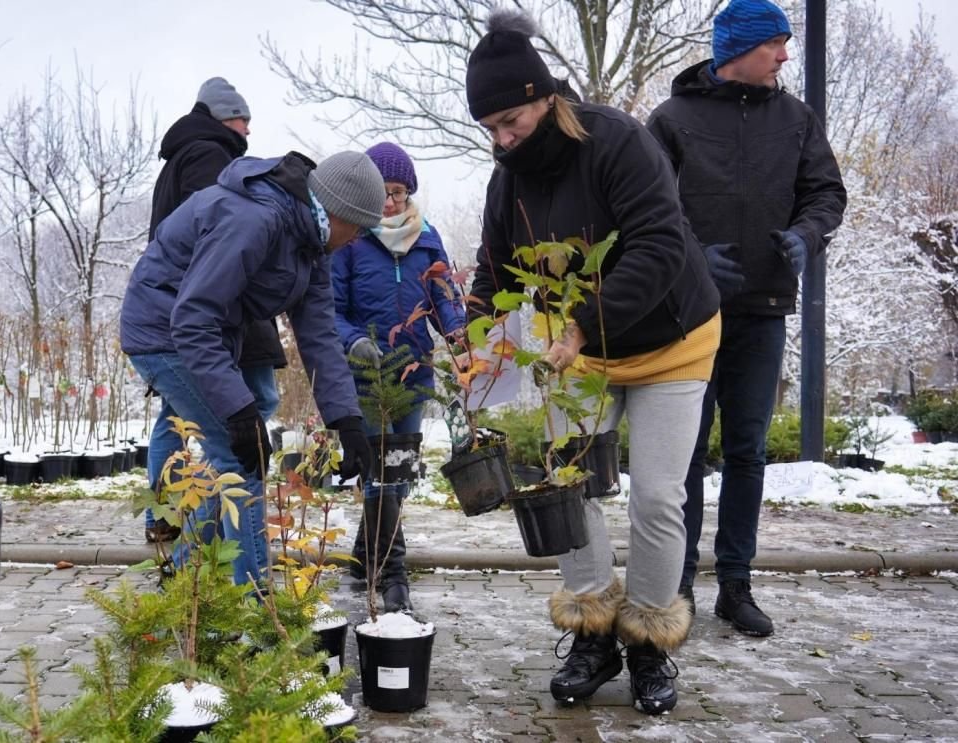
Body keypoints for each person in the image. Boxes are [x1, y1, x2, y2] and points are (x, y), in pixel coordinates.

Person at [463, 9, 721, 715]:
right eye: (490, 128)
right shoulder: (506, 183)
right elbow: (493, 271)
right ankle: (593, 628)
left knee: (658, 497)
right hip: (582, 350)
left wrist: (577, 323)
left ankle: (647, 640)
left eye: (511, 120)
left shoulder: (617, 143)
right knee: (562, 481)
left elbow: (662, 249)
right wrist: (475, 341)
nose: (502, 138)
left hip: (673, 338)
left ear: (546, 97)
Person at [647, 0, 847, 638]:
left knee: (748, 453)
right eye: (777, 46)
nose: (786, 57)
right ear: (741, 48)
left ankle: (736, 585)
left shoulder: (796, 118)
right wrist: (693, 258)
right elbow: (645, 208)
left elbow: (826, 192)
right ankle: (674, 586)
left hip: (762, 311)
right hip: (687, 315)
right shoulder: (671, 119)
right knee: (682, 455)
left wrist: (806, 236)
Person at [120, 150, 385, 587]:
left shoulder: (312, 244)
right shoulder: (254, 220)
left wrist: (347, 419)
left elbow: (318, 333)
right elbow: (193, 318)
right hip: (163, 332)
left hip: (201, 335)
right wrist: (238, 410)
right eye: (356, 227)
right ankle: (258, 609)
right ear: (334, 210)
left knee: (233, 460)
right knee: (245, 460)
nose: (356, 238)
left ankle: (185, 581)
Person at [143, 77, 288, 544]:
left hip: (179, 303)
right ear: (229, 118)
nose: (248, 132)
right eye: (244, 121)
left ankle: (167, 517)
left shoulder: (183, 155)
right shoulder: (210, 153)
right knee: (243, 413)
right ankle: (208, 524)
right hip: (211, 305)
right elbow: (223, 232)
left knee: (178, 413)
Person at [331, 142, 465, 613]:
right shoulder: (349, 239)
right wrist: (353, 342)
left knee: (398, 473)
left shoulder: (427, 238)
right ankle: (394, 574)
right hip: (365, 376)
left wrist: (458, 332)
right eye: (383, 192)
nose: (391, 202)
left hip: (412, 373)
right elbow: (331, 308)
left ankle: (364, 556)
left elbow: (443, 297)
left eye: (399, 192)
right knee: (379, 474)